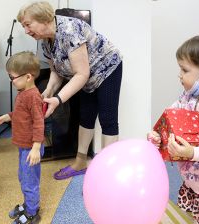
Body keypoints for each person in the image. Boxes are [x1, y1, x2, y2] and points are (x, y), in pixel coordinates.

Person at [17, 1, 123, 180]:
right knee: (86, 115)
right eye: (23, 26)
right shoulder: (46, 43)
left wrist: (58, 99)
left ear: (43, 19)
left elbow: (81, 74)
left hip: (107, 68)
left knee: (107, 118)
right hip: (85, 75)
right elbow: (56, 71)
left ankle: (109, 171)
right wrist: (48, 92)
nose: (26, 31)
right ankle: (81, 162)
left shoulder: (69, 30)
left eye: (28, 24)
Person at [148, 34, 199, 224]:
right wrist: (157, 135)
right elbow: (170, 119)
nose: (179, 75)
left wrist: (192, 152)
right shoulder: (187, 96)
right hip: (191, 181)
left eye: (184, 70)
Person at [0, 51, 44, 224]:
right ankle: (28, 205)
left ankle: (32, 212)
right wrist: (2, 118)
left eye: (12, 77)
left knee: (29, 181)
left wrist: (35, 148)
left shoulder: (33, 96)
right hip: (24, 146)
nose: (11, 81)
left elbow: (38, 122)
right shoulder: (23, 92)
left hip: (31, 146)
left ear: (28, 77)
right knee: (24, 177)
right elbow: (19, 114)